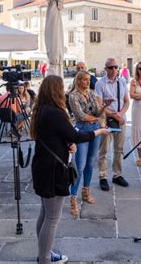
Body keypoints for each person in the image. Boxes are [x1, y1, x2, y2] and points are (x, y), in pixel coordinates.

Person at [30, 75, 109, 263]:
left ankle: (45, 253)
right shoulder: (55, 112)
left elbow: (55, 136)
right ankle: (45, 258)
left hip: (42, 165)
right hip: (53, 170)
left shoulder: (41, 109)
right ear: (55, 90)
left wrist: (67, 145)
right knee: (52, 217)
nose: (63, 91)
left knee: (45, 213)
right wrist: (98, 131)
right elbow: (75, 135)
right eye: (61, 88)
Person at [67, 71, 109, 218]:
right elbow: (80, 116)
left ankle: (86, 191)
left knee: (91, 162)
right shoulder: (73, 96)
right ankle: (73, 198)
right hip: (82, 131)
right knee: (80, 164)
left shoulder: (91, 93)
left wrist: (104, 107)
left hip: (95, 130)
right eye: (83, 80)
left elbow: (97, 112)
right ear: (78, 81)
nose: (86, 82)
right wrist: (95, 119)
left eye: (87, 80)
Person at [95, 58, 130, 191]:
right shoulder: (100, 84)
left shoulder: (122, 82)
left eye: (116, 67)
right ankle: (103, 176)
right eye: (110, 67)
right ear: (105, 69)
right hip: (106, 120)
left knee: (119, 149)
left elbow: (127, 101)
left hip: (120, 119)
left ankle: (117, 175)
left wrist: (120, 114)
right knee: (103, 149)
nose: (114, 69)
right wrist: (114, 115)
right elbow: (100, 105)